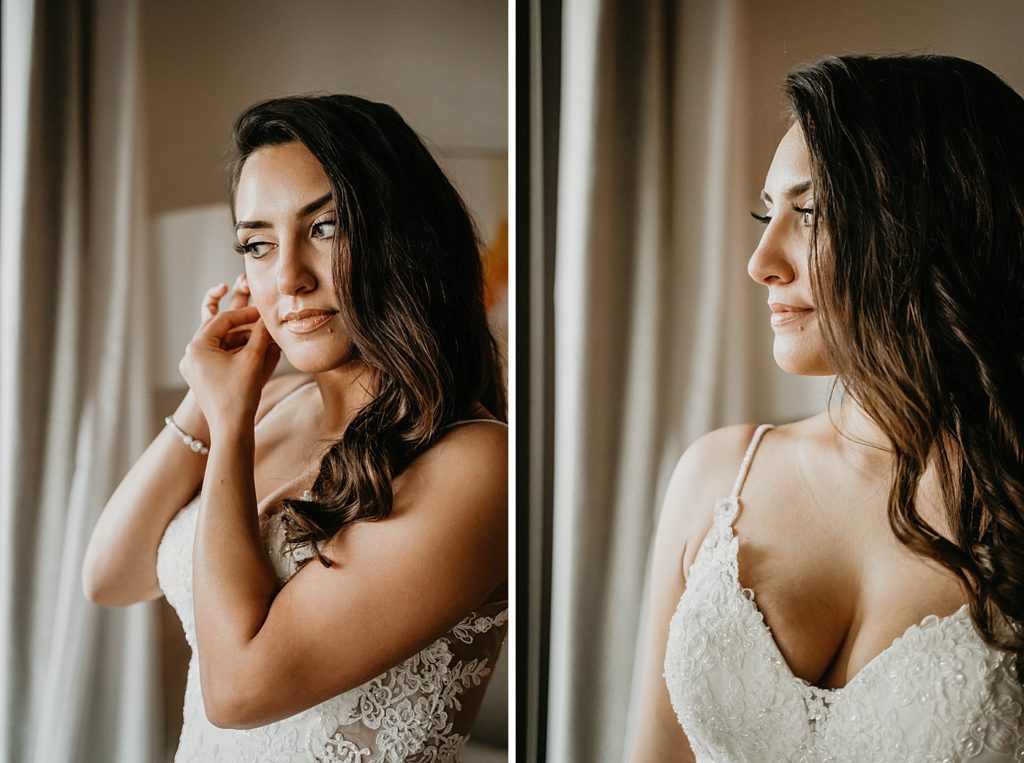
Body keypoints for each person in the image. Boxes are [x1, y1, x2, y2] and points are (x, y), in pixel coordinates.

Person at [82, 95, 508, 762]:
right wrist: (209, 397)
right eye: (258, 242)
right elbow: (110, 575)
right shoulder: (271, 405)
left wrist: (228, 425)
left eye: (326, 227)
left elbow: (239, 690)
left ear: (403, 237)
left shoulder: (475, 462)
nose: (288, 277)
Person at [629, 54, 1024, 761]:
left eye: (809, 213)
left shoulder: (1013, 497)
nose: (761, 260)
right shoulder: (718, 476)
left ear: (934, 226)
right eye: (766, 212)